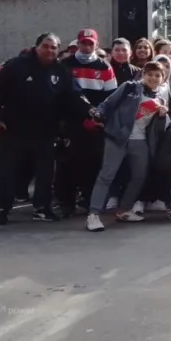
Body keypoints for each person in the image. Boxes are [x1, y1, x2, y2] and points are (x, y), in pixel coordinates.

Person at [0, 33, 96, 226]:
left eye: (54, 47)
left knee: (46, 171)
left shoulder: (61, 71)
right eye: (46, 46)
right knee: (8, 171)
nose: (50, 50)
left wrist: (90, 110)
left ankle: (42, 208)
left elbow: (73, 96)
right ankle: (2, 209)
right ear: (36, 47)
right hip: (13, 129)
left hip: (45, 130)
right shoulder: (16, 66)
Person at [85, 62, 169, 232]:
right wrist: (98, 114)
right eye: (150, 74)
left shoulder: (160, 99)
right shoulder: (130, 87)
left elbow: (157, 128)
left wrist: (161, 116)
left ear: (163, 78)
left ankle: (123, 210)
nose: (153, 78)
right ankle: (93, 214)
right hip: (117, 137)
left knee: (140, 176)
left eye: (157, 75)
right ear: (143, 74)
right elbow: (108, 103)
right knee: (107, 175)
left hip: (140, 140)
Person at [56, 28, 117, 217]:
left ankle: (89, 200)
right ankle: (66, 202)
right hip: (70, 123)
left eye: (91, 43)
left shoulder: (105, 67)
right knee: (66, 164)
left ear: (96, 44)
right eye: (84, 43)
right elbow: (60, 95)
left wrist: (99, 119)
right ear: (78, 43)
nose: (87, 46)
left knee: (92, 164)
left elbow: (111, 97)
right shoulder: (64, 64)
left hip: (95, 123)